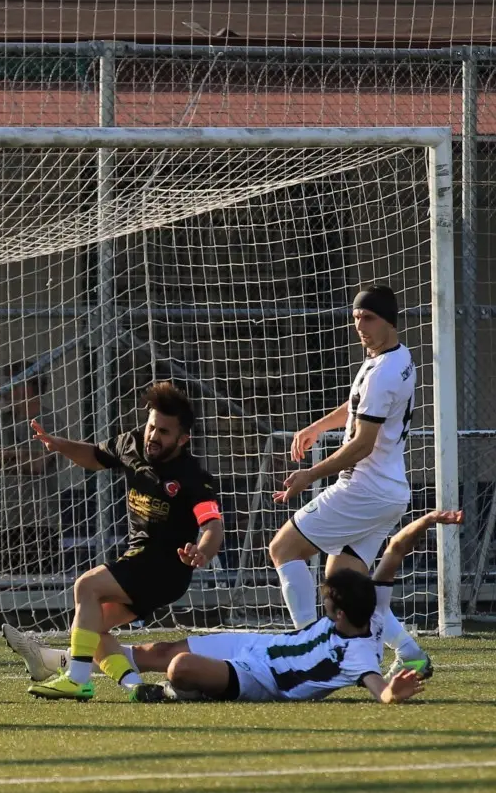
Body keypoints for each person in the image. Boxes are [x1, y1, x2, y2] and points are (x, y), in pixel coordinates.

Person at [108, 510, 460, 704]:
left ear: (338, 615)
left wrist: (391, 693)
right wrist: (428, 520)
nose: (323, 602)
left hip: (260, 679)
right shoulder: (374, 611)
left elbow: (378, 688)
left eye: (326, 602)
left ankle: (176, 693)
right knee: (160, 650)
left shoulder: (358, 655)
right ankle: (72, 656)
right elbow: (395, 551)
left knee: (179, 666)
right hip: (259, 646)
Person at [20, 381, 223, 700]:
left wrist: (202, 551)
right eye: (152, 426)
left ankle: (77, 679)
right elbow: (95, 455)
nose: (154, 436)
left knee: (86, 587)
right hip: (140, 562)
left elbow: (212, 525)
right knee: (90, 627)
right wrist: (60, 445)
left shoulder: (192, 476)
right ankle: (134, 686)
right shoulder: (131, 444)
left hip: (164, 566)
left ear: (183, 439)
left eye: (164, 432)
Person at [268, 283, 431, 676]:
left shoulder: (385, 371)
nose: (360, 325)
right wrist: (318, 426)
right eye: (356, 318)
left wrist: (310, 474)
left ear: (389, 320)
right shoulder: (392, 357)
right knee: (344, 587)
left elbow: (361, 444)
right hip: (388, 491)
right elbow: (358, 404)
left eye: (369, 318)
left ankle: (308, 648)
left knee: (283, 548)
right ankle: (411, 652)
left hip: (364, 488)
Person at [0, 366, 61, 572]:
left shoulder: (50, 422)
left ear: (31, 387)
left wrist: (8, 455)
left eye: (14, 384)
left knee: (39, 582)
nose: (6, 390)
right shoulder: (1, 421)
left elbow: (37, 465)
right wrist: (20, 456)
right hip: (3, 520)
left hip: (39, 522)